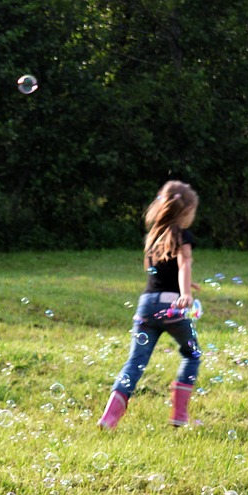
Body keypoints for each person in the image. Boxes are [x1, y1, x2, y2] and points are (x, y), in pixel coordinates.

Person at [98, 180, 202, 430]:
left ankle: (110, 416)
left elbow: (156, 270)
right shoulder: (182, 234)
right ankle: (179, 413)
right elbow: (183, 263)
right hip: (173, 307)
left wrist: (184, 285)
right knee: (191, 354)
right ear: (186, 212)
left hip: (147, 304)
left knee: (135, 362)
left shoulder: (154, 234)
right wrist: (185, 292)